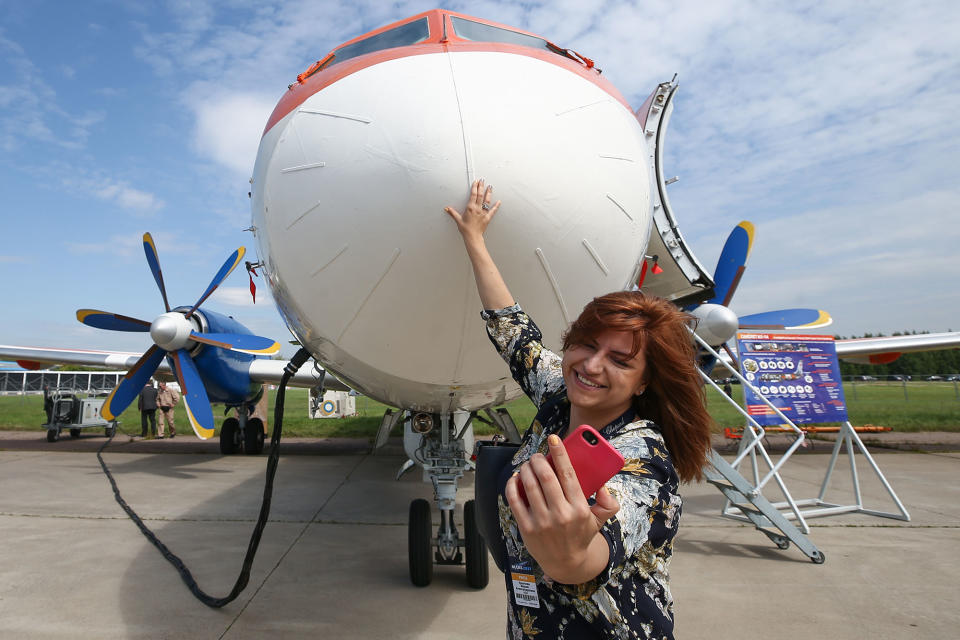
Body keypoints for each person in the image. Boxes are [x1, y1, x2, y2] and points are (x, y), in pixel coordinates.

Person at [446, 179, 713, 639]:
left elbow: (594, 553)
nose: (591, 365)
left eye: (619, 359)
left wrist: (570, 555)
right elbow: (514, 332)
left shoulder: (643, 456)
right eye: (586, 344)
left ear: (644, 380)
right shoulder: (560, 394)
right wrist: (475, 239)